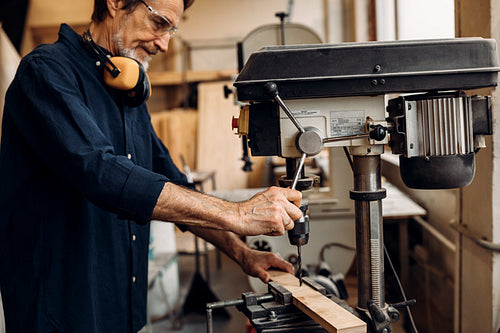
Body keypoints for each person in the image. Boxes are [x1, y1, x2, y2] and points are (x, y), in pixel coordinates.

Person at [0, 0, 303, 332]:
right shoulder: (45, 72)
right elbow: (102, 173)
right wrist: (238, 214)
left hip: (120, 310)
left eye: (171, 30)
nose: (165, 43)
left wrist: (242, 253)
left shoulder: (124, 89)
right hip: (61, 313)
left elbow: (174, 183)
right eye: (159, 23)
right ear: (115, 3)